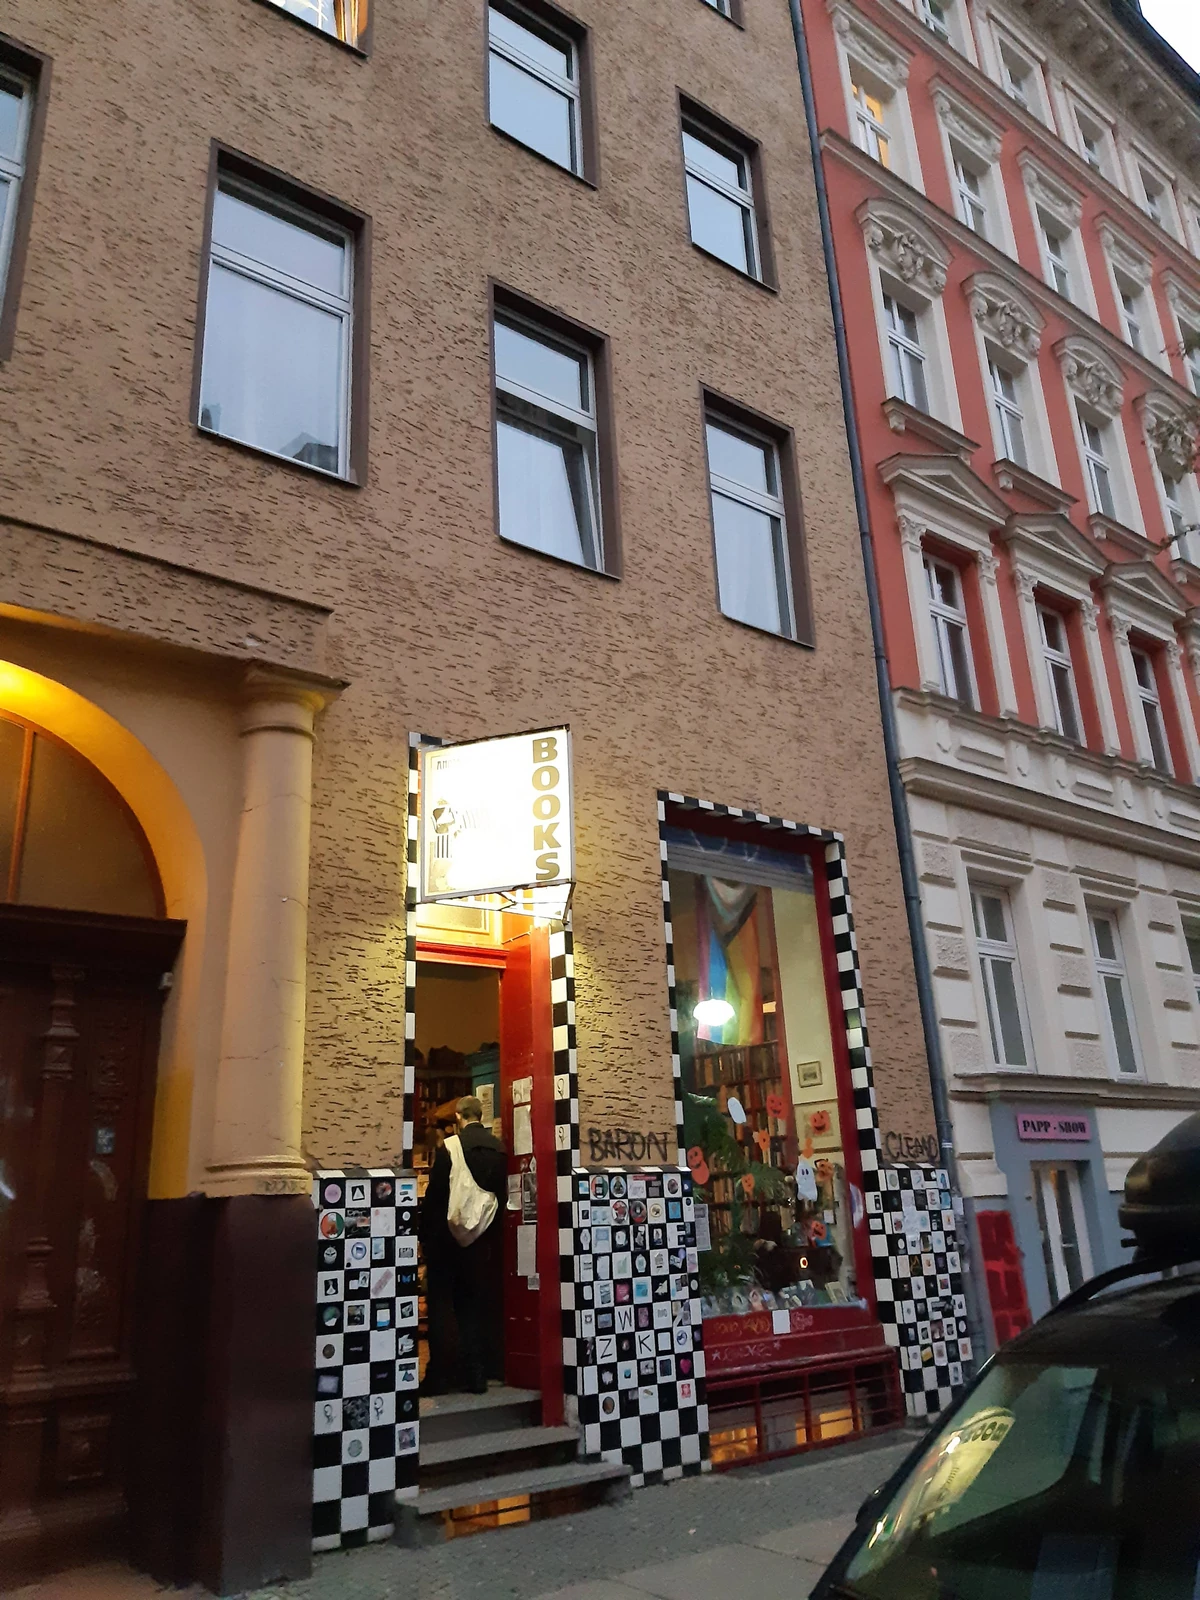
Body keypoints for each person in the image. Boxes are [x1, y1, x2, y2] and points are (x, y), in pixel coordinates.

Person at [419, 1095, 507, 1394]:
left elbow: (435, 1198)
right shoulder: (499, 1149)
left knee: (442, 1307)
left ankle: (440, 1376)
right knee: (473, 1307)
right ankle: (477, 1375)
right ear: (480, 1115)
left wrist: (426, 1237)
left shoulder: (450, 1147)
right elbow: (502, 1197)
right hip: (481, 1243)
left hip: (447, 1243)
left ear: (458, 1117)